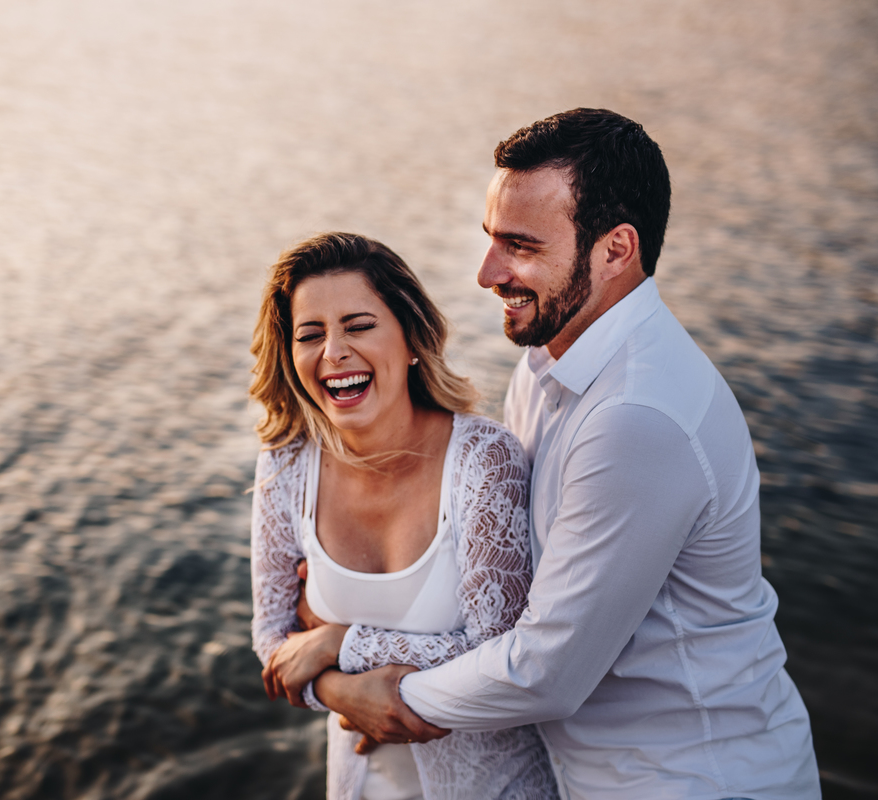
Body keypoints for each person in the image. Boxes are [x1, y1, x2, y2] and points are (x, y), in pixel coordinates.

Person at [309, 110, 822, 799]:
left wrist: (376, 691)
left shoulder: (637, 417)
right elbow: (507, 574)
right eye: (491, 239)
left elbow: (544, 671)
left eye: (520, 246)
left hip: (693, 780)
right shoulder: (546, 366)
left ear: (616, 250)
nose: (488, 273)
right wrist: (355, 603)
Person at [248, 232, 559, 800]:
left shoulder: (484, 458)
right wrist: (343, 694)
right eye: (310, 334)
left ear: (411, 339)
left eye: (359, 326)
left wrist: (339, 643)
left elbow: (501, 657)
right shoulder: (287, 462)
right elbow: (273, 639)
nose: (334, 352)